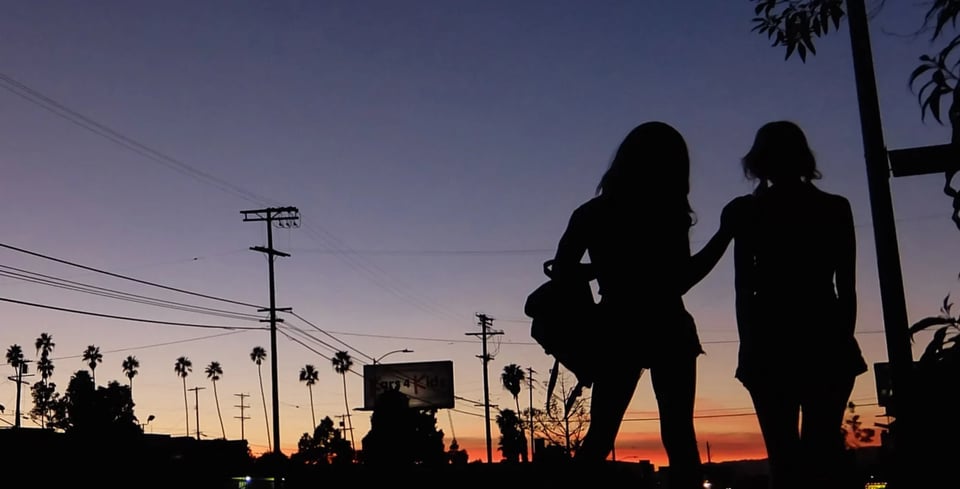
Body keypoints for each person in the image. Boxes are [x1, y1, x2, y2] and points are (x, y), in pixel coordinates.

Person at [552, 121, 707, 488]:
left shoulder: (592, 213)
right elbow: (680, 279)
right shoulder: (667, 214)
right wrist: (723, 237)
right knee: (680, 436)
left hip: (617, 327)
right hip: (668, 325)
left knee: (600, 436)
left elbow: (561, 271)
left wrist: (599, 270)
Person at [717, 121, 869, 489]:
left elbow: (743, 290)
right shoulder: (834, 207)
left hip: (770, 342)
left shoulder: (750, 212)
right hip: (824, 336)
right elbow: (845, 287)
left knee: (784, 457)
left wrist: (748, 347)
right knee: (821, 453)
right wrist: (842, 339)